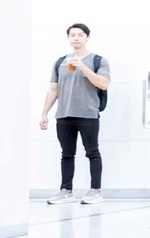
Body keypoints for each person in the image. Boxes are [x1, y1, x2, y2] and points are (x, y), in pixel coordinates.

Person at [36, 23, 110, 204]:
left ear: (87, 37)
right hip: (64, 115)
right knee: (67, 154)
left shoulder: (98, 60)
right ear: (68, 38)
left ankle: (95, 191)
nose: (76, 38)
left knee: (92, 152)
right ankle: (66, 191)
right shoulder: (60, 62)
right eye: (72, 35)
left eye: (80, 35)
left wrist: (83, 67)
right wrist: (44, 113)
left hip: (88, 114)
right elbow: (53, 89)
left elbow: (103, 84)